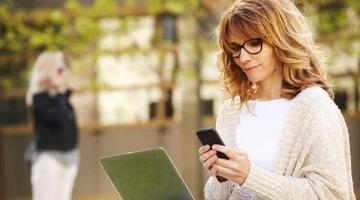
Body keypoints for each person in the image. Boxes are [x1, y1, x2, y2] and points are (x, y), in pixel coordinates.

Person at [198, 0, 355, 199]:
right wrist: (220, 175)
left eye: (254, 43)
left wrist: (250, 176)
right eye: (235, 48)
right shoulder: (230, 112)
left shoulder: (314, 107)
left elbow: (331, 194)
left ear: (282, 39)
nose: (243, 57)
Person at [26, 51, 79, 200]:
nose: (63, 74)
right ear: (47, 71)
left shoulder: (62, 97)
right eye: (59, 70)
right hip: (49, 158)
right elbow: (55, 118)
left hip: (70, 158)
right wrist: (60, 94)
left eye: (63, 69)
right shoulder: (39, 97)